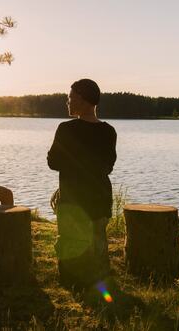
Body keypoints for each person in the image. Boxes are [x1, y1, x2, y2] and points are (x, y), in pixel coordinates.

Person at [47, 79, 117, 288]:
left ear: (83, 100)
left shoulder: (66, 129)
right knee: (98, 245)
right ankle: (101, 284)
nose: (67, 102)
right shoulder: (109, 131)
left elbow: (53, 162)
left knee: (71, 245)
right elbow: (107, 166)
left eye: (70, 97)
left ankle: (74, 285)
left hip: (73, 200)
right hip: (99, 199)